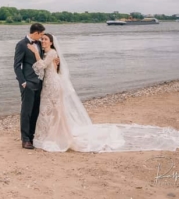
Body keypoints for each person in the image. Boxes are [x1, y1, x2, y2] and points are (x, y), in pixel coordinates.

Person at [27, 34, 179, 152]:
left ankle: (56, 137)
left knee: (55, 111)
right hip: (48, 86)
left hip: (54, 86)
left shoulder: (52, 53)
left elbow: (40, 65)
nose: (43, 41)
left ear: (52, 42)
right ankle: (49, 135)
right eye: (42, 39)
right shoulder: (49, 53)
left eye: (45, 39)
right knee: (49, 111)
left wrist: (34, 52)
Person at [13, 23, 46, 149]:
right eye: (41, 34)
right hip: (28, 83)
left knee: (36, 111)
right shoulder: (21, 44)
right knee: (26, 112)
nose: (42, 37)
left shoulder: (39, 44)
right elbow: (17, 65)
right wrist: (23, 82)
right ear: (36, 33)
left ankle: (32, 137)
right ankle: (25, 139)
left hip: (39, 82)